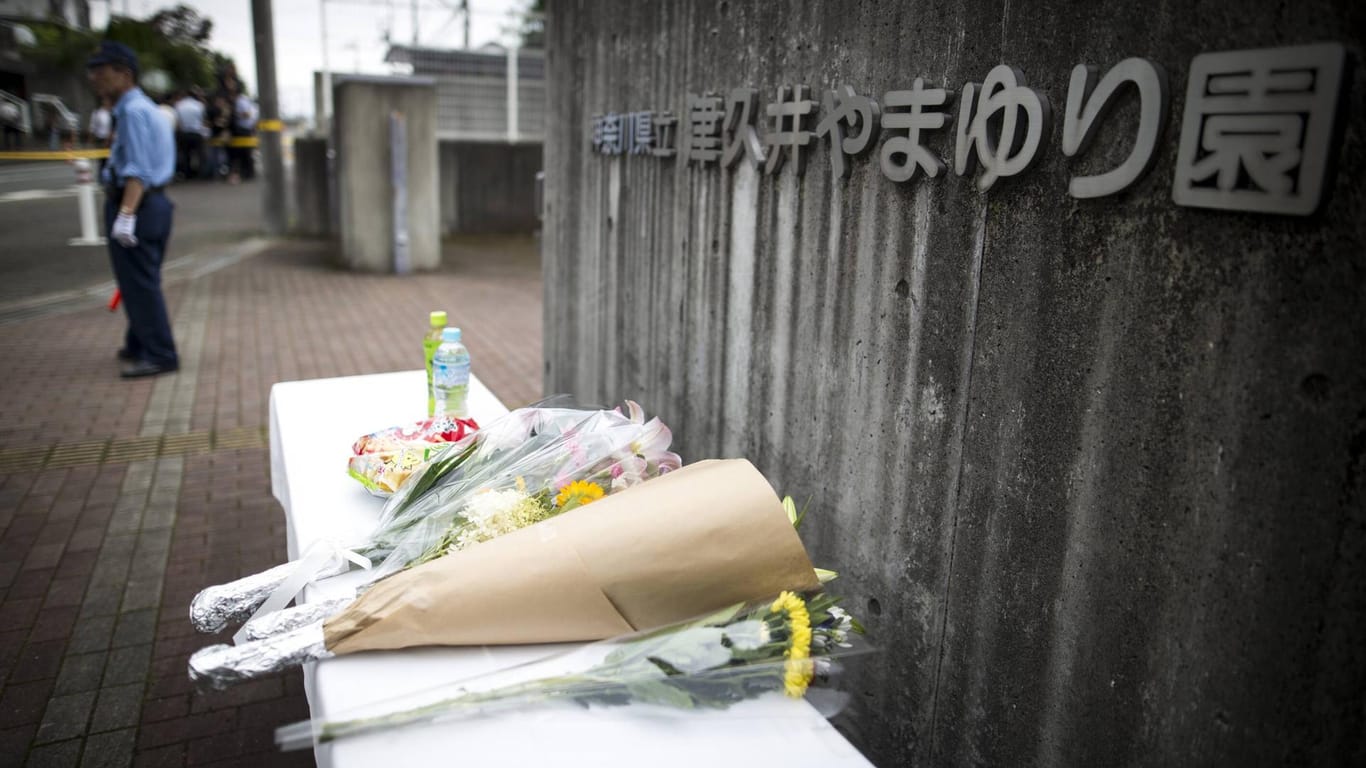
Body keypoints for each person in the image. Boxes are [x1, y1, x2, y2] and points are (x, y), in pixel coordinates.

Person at [86, 40, 179, 378]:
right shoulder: (145, 108)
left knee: (140, 283)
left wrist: (125, 215)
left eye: (101, 71)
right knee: (140, 280)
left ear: (124, 74)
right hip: (153, 205)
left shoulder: (132, 111)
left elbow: (137, 170)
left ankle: (159, 353)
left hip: (138, 205)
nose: (94, 78)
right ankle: (139, 343)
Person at [173, 89, 207, 179]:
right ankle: (201, 174)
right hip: (196, 133)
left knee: (185, 154)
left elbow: (178, 122)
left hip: (184, 133)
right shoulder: (199, 105)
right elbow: (203, 120)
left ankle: (187, 173)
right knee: (199, 154)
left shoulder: (179, 105)